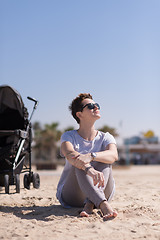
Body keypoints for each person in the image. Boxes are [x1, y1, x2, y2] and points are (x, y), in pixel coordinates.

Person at [56, 93, 118, 220]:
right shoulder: (68, 136)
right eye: (90, 106)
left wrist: (91, 156)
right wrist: (88, 169)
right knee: (78, 162)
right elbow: (69, 154)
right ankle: (103, 204)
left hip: (104, 189)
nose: (96, 107)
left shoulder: (106, 137)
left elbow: (113, 155)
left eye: (97, 105)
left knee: (104, 160)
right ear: (79, 114)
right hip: (73, 195)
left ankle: (90, 204)